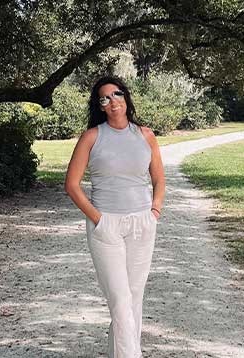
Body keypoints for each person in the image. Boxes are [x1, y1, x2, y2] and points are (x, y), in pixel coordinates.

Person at [64, 76, 165, 358]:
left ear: (126, 96)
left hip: (142, 224)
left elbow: (158, 179)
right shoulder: (92, 137)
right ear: (100, 106)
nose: (112, 101)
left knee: (133, 300)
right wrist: (99, 219)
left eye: (116, 94)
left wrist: (154, 211)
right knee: (120, 301)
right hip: (106, 226)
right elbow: (71, 185)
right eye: (104, 98)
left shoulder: (145, 135)